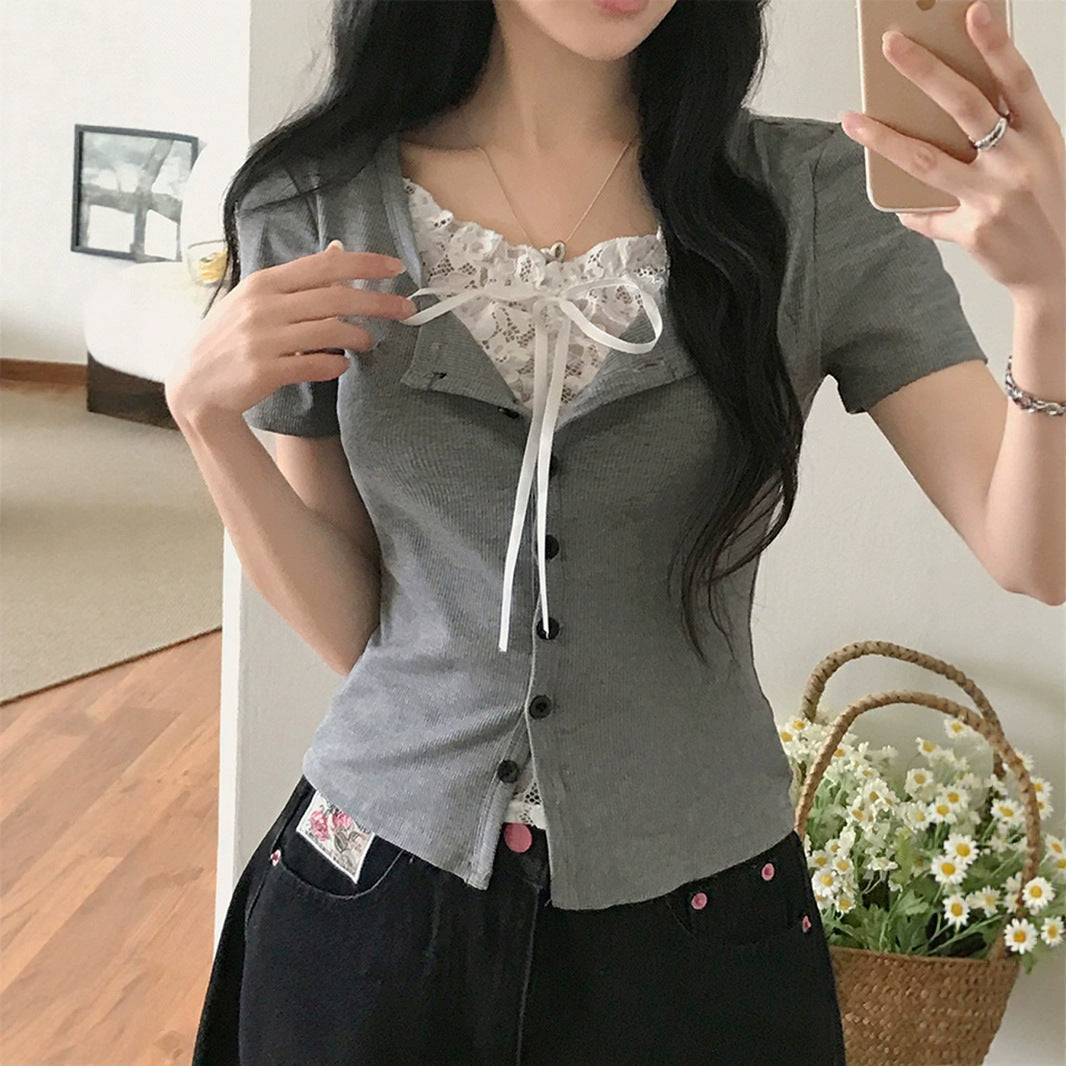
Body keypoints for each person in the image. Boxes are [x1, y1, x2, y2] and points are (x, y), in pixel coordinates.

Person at [167, 1, 1065, 1063]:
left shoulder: (811, 197)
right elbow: (358, 629)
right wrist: (206, 422)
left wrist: (1049, 296)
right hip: (371, 906)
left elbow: (1034, 555)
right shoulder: (312, 199)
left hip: (701, 928)